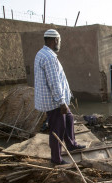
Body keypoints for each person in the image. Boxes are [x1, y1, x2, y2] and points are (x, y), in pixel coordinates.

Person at [34, 29, 85, 165]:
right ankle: (56, 159)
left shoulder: (42, 53)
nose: (60, 43)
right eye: (59, 41)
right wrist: (61, 102)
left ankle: (71, 144)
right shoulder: (49, 58)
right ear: (54, 40)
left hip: (54, 100)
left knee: (69, 118)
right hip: (54, 102)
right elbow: (54, 83)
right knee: (57, 129)